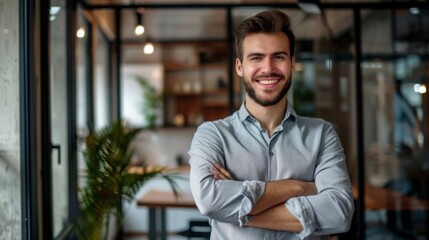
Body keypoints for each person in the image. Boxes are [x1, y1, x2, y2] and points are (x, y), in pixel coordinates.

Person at [188, 9, 354, 239]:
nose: (268, 68)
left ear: (293, 63)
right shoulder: (212, 135)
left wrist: (239, 207)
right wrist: (301, 188)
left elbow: (340, 213)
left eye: (279, 56)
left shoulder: (322, 134)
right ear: (239, 67)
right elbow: (209, 201)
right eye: (256, 57)